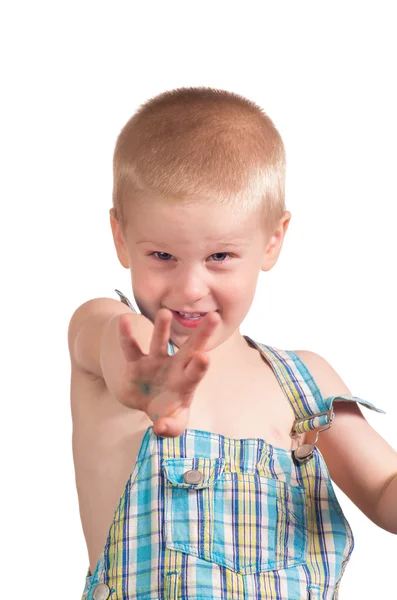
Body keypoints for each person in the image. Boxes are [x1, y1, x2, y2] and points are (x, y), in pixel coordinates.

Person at [68, 87, 397, 600]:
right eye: (161, 254)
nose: (190, 287)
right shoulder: (112, 335)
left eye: (220, 256)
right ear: (119, 235)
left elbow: (383, 490)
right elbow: (110, 344)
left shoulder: (305, 384)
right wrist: (135, 382)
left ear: (272, 241)